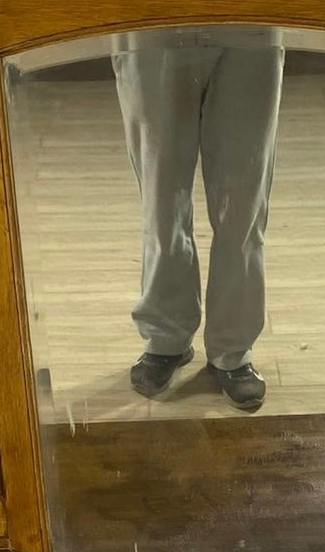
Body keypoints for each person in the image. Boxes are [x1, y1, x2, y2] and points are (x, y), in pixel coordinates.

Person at [113, 25, 284, 409]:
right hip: (150, 8)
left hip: (251, 9)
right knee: (161, 201)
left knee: (244, 201)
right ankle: (166, 337)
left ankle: (233, 348)